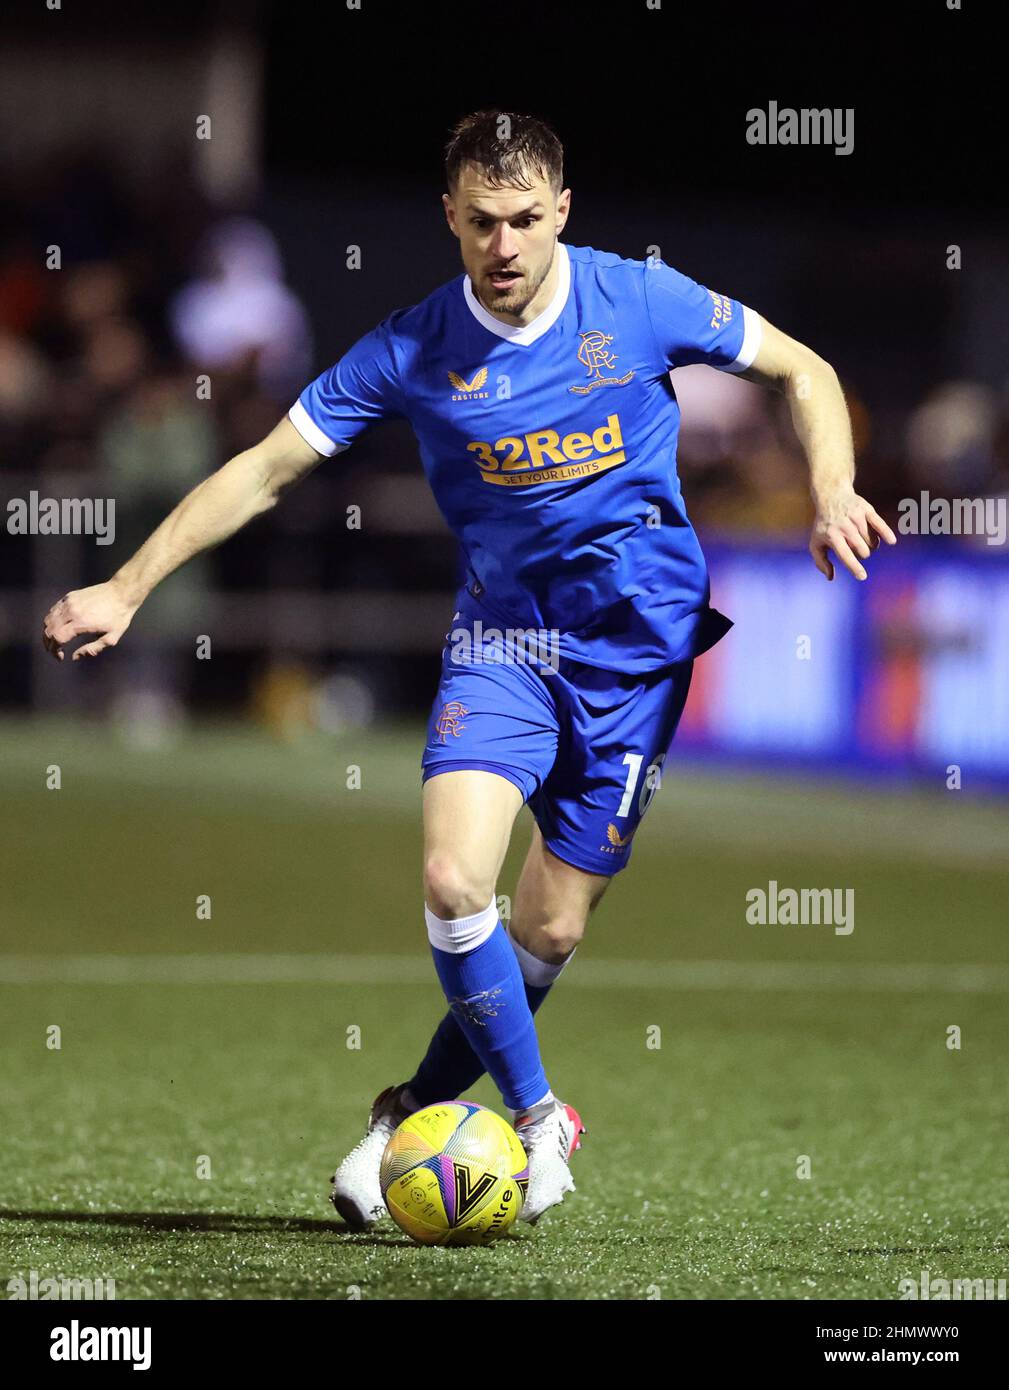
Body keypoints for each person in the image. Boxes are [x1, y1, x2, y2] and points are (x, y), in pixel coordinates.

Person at [41, 109, 896, 1229]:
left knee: (549, 931)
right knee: (454, 884)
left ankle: (405, 1113)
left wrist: (830, 488)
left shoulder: (637, 299)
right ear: (449, 216)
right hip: (503, 649)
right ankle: (539, 1119)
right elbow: (264, 468)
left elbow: (803, 367)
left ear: (562, 212)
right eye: (482, 220)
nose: (504, 244)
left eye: (526, 219)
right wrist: (127, 585)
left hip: (638, 661)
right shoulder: (410, 347)